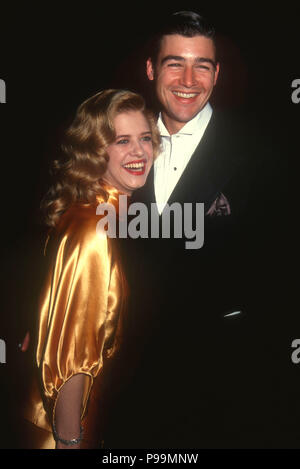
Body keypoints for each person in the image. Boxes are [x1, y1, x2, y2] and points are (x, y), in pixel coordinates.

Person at [104, 11, 292, 448]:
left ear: (217, 73)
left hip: (226, 389)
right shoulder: (122, 141)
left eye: (202, 65)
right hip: (129, 382)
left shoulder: (263, 153)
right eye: (174, 63)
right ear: (151, 69)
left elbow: (282, 272)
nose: (188, 79)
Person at [20, 88, 161, 449]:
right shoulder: (93, 228)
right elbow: (74, 361)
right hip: (67, 430)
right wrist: (70, 440)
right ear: (95, 150)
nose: (139, 151)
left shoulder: (112, 215)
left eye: (145, 138)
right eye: (121, 141)